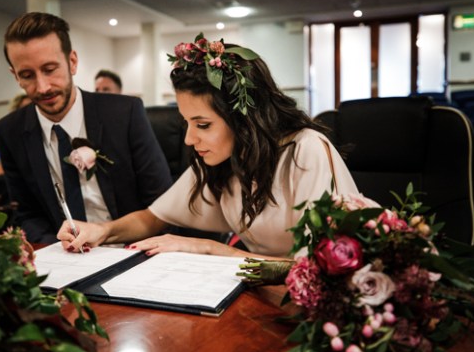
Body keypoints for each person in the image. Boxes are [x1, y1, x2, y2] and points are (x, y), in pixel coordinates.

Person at [58, 33, 358, 260]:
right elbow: (154, 216)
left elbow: (314, 273)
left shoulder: (306, 151)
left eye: (203, 125)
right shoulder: (226, 157)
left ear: (244, 118)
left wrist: (208, 248)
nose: (189, 139)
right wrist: (102, 231)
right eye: (186, 122)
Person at [0, 12, 173, 244]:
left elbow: (162, 205)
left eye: (50, 69)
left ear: (72, 62)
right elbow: (27, 214)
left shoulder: (125, 113)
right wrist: (59, 248)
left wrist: (107, 232)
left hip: (133, 247)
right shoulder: (9, 131)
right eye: (27, 75)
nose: (43, 87)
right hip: (63, 254)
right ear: (15, 76)